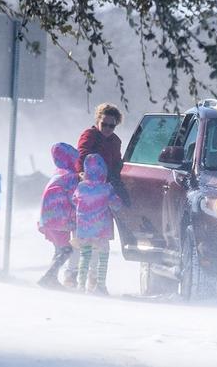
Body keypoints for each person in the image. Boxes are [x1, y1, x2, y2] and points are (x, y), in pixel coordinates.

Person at [66, 103, 129, 288]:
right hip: (86, 193)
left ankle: (94, 277)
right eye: (105, 124)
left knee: (98, 239)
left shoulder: (115, 141)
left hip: (103, 193)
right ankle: (72, 273)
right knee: (81, 238)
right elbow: (83, 155)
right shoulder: (90, 135)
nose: (108, 129)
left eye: (112, 125)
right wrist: (84, 174)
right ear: (98, 121)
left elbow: (116, 164)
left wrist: (117, 186)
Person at [72, 153, 123, 295]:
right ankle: (100, 285)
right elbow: (116, 204)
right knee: (103, 255)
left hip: (84, 229)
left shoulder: (81, 187)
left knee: (85, 255)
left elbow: (74, 200)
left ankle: (81, 285)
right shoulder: (106, 188)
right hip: (101, 229)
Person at [36, 143, 80, 289]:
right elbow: (74, 197)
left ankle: (52, 277)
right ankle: (47, 277)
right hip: (60, 219)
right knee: (67, 249)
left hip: (48, 217)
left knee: (59, 249)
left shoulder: (57, 174)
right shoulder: (70, 176)